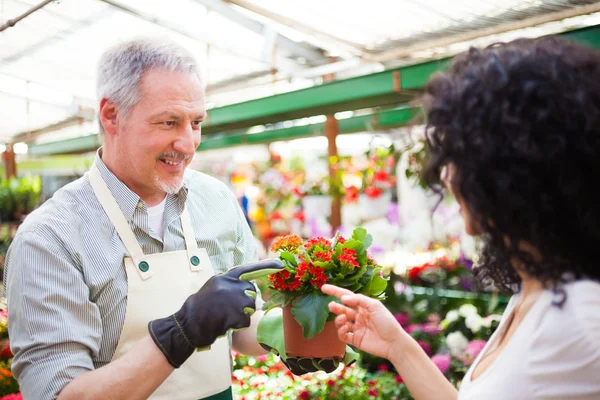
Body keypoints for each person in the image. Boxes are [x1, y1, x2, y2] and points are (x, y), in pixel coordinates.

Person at [3, 38, 284, 400]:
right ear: (111, 115)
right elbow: (58, 394)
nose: (188, 143)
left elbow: (245, 326)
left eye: (196, 122)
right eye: (169, 122)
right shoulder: (50, 238)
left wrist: (298, 334)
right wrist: (180, 333)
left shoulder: (215, 201)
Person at [323, 36, 600, 399]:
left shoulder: (581, 318)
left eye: (458, 158)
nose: (446, 176)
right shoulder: (535, 293)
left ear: (511, 173)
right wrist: (398, 347)